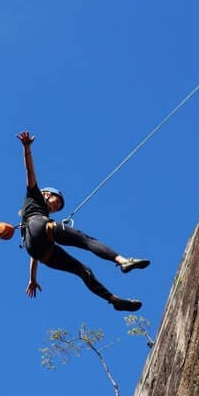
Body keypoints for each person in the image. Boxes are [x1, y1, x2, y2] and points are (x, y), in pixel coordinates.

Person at [16, 130, 149, 311]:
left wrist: (32, 278)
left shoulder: (27, 219)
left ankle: (114, 300)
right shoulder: (34, 195)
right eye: (57, 202)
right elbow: (29, 170)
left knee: (82, 270)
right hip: (40, 227)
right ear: (47, 194)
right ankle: (122, 260)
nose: (56, 207)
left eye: (58, 206)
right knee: (87, 241)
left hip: (38, 248)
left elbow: (34, 253)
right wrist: (27, 148)